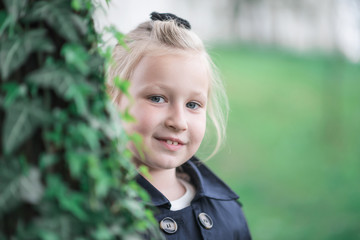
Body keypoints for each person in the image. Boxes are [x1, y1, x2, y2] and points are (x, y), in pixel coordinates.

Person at [107, 12, 251, 240]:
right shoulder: (97, 212)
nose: (178, 122)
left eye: (193, 104)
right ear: (112, 98)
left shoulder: (228, 214)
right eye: (157, 98)